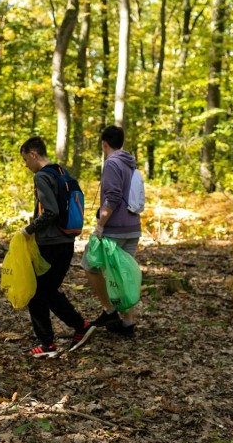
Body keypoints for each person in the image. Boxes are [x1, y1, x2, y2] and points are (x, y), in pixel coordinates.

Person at [18, 136, 95, 358]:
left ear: (33, 155)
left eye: (25, 160)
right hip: (66, 242)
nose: (26, 165)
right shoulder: (62, 172)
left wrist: (29, 230)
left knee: (36, 292)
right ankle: (80, 326)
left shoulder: (42, 177)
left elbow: (51, 211)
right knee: (48, 291)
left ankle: (47, 344)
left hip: (50, 244)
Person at [81, 125, 141, 338]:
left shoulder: (112, 164)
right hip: (133, 227)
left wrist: (100, 225)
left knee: (89, 264)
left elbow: (113, 197)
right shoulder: (130, 164)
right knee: (123, 274)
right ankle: (127, 324)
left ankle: (110, 310)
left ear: (104, 143)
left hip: (115, 229)